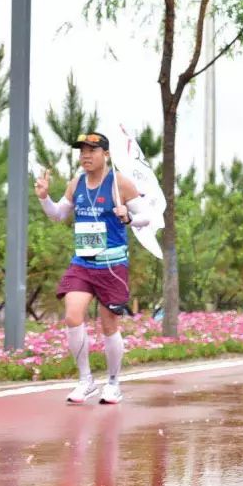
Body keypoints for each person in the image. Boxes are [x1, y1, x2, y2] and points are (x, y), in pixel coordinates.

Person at [34, 132, 156, 405]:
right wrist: (44, 197)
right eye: (82, 151)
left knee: (108, 324)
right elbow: (58, 215)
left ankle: (113, 383)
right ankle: (85, 380)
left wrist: (129, 217)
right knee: (72, 316)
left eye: (92, 150)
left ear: (106, 154)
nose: (86, 156)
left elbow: (146, 216)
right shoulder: (76, 183)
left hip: (112, 265)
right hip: (83, 262)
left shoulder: (119, 183)